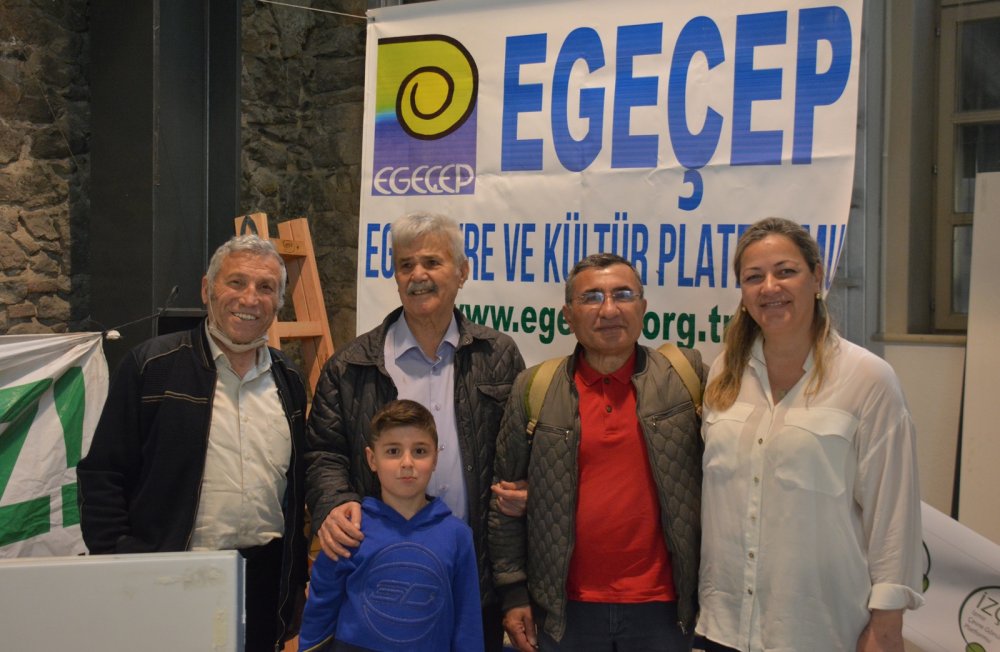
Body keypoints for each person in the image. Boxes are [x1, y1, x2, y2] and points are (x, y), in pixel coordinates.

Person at [696, 217, 924, 652]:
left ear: (817, 278)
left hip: (819, 629)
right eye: (754, 277)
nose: (770, 287)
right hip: (723, 626)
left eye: (786, 271)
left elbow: (893, 513)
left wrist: (887, 624)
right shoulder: (724, 371)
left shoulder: (868, 379)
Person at [304, 211, 526, 652]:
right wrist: (334, 503)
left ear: (462, 272)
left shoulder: (498, 355)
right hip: (378, 577)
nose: (417, 275)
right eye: (406, 265)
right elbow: (323, 451)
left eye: (432, 262)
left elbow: (520, 453)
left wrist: (526, 493)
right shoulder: (350, 365)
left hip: (471, 576)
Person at [77, 235, 309, 652]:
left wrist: (294, 581)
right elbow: (103, 474)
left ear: (278, 302)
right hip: (170, 574)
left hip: (264, 577)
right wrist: (119, 564)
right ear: (207, 289)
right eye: (236, 282)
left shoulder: (288, 378)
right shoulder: (151, 366)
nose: (250, 298)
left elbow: (296, 487)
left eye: (266, 287)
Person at [489, 252, 705, 652]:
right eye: (591, 298)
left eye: (622, 294)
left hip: (663, 610)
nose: (608, 310)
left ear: (643, 307)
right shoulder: (534, 388)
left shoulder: (686, 378)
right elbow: (504, 502)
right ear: (568, 316)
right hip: (564, 612)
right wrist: (514, 593)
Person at [298, 399, 484, 651]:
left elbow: (467, 622)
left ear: (435, 459)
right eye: (393, 451)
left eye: (420, 451)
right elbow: (320, 608)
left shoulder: (458, 536)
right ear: (372, 459)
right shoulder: (349, 528)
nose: (407, 463)